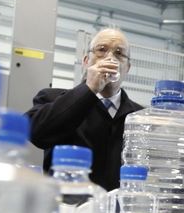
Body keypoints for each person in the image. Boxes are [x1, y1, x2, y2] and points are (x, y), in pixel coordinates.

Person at [28, 28, 144, 191]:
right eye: (101, 50)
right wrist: (89, 89)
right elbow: (36, 133)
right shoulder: (52, 99)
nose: (110, 58)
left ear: (127, 68)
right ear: (85, 61)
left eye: (119, 53)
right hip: (67, 208)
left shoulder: (140, 117)